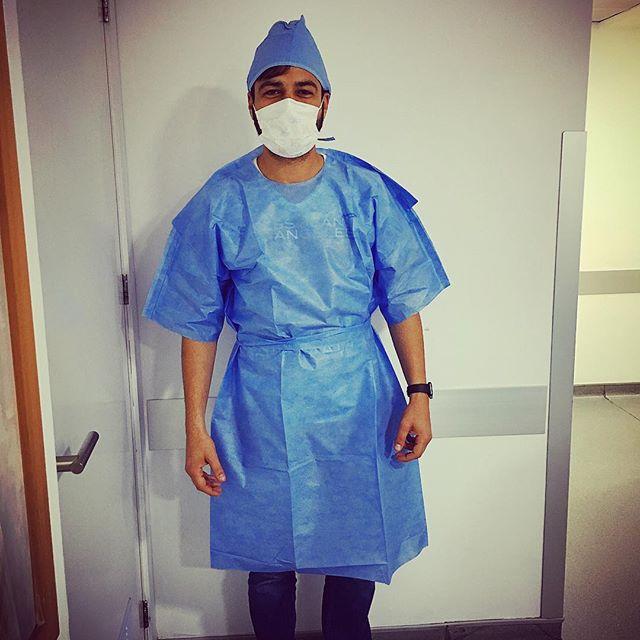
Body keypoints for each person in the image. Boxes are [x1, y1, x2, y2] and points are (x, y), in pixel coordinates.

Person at [142, 14, 451, 640]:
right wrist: (195, 428)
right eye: (272, 89)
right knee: (267, 561)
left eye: (303, 90)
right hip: (262, 395)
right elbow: (197, 321)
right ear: (253, 104)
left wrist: (419, 393)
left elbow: (402, 299)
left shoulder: (364, 190)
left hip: (357, 392)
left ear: (325, 102)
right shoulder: (222, 198)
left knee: (355, 550)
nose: (289, 102)